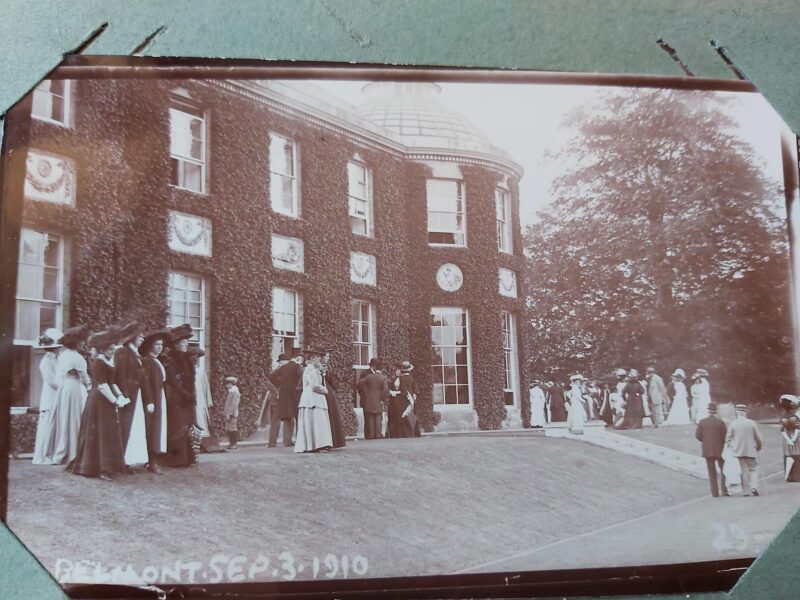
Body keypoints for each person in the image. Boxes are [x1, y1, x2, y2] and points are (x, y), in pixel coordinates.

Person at [67, 328, 128, 480]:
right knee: (101, 433)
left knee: (107, 433)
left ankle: (107, 467)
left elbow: (112, 382)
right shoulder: (98, 363)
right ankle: (99, 468)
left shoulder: (108, 361)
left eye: (114, 349)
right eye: (110, 349)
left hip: (106, 400)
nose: (113, 351)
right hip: (98, 402)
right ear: (103, 349)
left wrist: (121, 396)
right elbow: (102, 385)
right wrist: (115, 401)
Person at [42, 325, 91, 465]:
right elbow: (84, 378)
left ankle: (63, 452)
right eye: (82, 341)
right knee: (76, 418)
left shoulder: (64, 355)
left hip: (64, 389)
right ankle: (74, 453)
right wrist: (89, 387)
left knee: (65, 419)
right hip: (75, 389)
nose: (84, 344)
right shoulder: (78, 358)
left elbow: (59, 376)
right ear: (76, 343)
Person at [161, 324, 198, 467]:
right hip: (175, 398)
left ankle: (187, 458)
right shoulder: (169, 360)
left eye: (187, 341)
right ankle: (177, 460)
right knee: (177, 427)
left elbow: (189, 380)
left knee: (186, 426)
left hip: (186, 398)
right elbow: (174, 382)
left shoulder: (186, 359)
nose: (186, 344)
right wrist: (186, 395)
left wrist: (190, 395)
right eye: (183, 341)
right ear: (176, 344)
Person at [114, 321, 149, 468]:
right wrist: (124, 395)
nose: (142, 339)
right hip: (128, 396)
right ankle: (121, 461)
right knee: (125, 426)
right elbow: (120, 375)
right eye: (140, 336)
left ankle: (128, 460)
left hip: (136, 395)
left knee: (134, 426)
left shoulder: (135, 353)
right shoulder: (123, 352)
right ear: (133, 337)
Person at [139, 328, 170, 473]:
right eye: (157, 344)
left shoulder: (157, 361)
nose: (159, 347)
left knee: (158, 428)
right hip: (153, 399)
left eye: (161, 345)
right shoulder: (147, 361)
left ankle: (153, 460)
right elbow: (146, 383)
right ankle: (151, 462)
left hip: (160, 396)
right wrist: (150, 401)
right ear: (150, 345)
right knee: (152, 428)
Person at [31, 328, 63, 465]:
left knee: (56, 426)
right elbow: (51, 382)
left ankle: (53, 454)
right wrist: (65, 388)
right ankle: (43, 456)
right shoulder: (46, 362)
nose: (58, 349)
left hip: (58, 395)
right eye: (56, 347)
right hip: (50, 396)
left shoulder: (58, 359)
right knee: (47, 426)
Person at [294, 346, 333, 453]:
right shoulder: (310, 369)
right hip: (311, 398)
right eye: (317, 358)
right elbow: (314, 385)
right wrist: (325, 390)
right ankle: (312, 445)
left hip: (315, 398)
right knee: (313, 421)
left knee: (316, 421)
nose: (319, 360)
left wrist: (322, 374)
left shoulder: (315, 369)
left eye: (319, 357)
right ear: (312, 358)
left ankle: (316, 444)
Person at [726, 404, 763, 496]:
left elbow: (728, 439)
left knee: (743, 470)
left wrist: (732, 446)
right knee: (754, 468)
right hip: (751, 450)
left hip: (738, 451)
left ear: (737, 412)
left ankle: (746, 491)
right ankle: (754, 487)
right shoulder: (751, 423)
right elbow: (759, 438)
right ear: (745, 412)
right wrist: (758, 447)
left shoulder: (733, 423)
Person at [268, 351, 303, 448]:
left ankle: (282, 442)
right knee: (295, 417)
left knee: (286, 418)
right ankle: (294, 440)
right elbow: (303, 376)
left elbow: (271, 377)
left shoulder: (282, 368)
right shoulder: (297, 367)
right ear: (297, 358)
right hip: (295, 395)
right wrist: (299, 386)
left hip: (283, 395)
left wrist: (280, 382)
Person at [695, 402, 728, 497]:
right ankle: (724, 490)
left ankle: (715, 493)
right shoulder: (720, 422)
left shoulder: (702, 422)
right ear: (715, 411)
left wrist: (705, 441)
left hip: (707, 449)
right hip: (720, 450)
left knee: (711, 472)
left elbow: (698, 436)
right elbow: (724, 437)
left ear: (708, 411)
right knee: (723, 470)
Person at [357, 358, 389, 439]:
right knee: (378, 417)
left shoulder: (369, 376)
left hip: (369, 399)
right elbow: (385, 390)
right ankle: (378, 435)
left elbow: (359, 383)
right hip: (378, 399)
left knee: (370, 417)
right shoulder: (383, 378)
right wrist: (382, 399)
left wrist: (367, 392)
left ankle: (371, 435)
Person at [322, 352, 347, 448]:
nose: (328, 358)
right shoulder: (324, 368)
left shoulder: (326, 368)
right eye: (327, 356)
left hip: (328, 394)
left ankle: (333, 441)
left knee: (331, 417)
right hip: (327, 393)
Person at [190, 346, 212, 439]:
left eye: (198, 357)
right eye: (194, 357)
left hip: (200, 397)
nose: (196, 360)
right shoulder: (188, 371)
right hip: (191, 397)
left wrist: (208, 401)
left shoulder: (201, 372)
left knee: (200, 416)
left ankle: (200, 438)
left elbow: (206, 387)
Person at [778, 395, 800, 482]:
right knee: (797, 455)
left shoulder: (783, 417)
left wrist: (788, 440)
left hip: (786, 439)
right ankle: (797, 476)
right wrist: (793, 440)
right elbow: (798, 429)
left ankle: (789, 476)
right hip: (796, 438)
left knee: (788, 455)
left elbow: (782, 430)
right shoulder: (795, 417)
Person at [224, 376, 241, 450]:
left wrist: (229, 414)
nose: (226, 385)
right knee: (230, 429)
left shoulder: (234, 392)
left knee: (233, 429)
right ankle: (231, 443)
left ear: (231, 384)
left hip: (232, 414)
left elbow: (234, 404)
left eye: (227, 384)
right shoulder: (232, 391)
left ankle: (234, 443)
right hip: (231, 413)